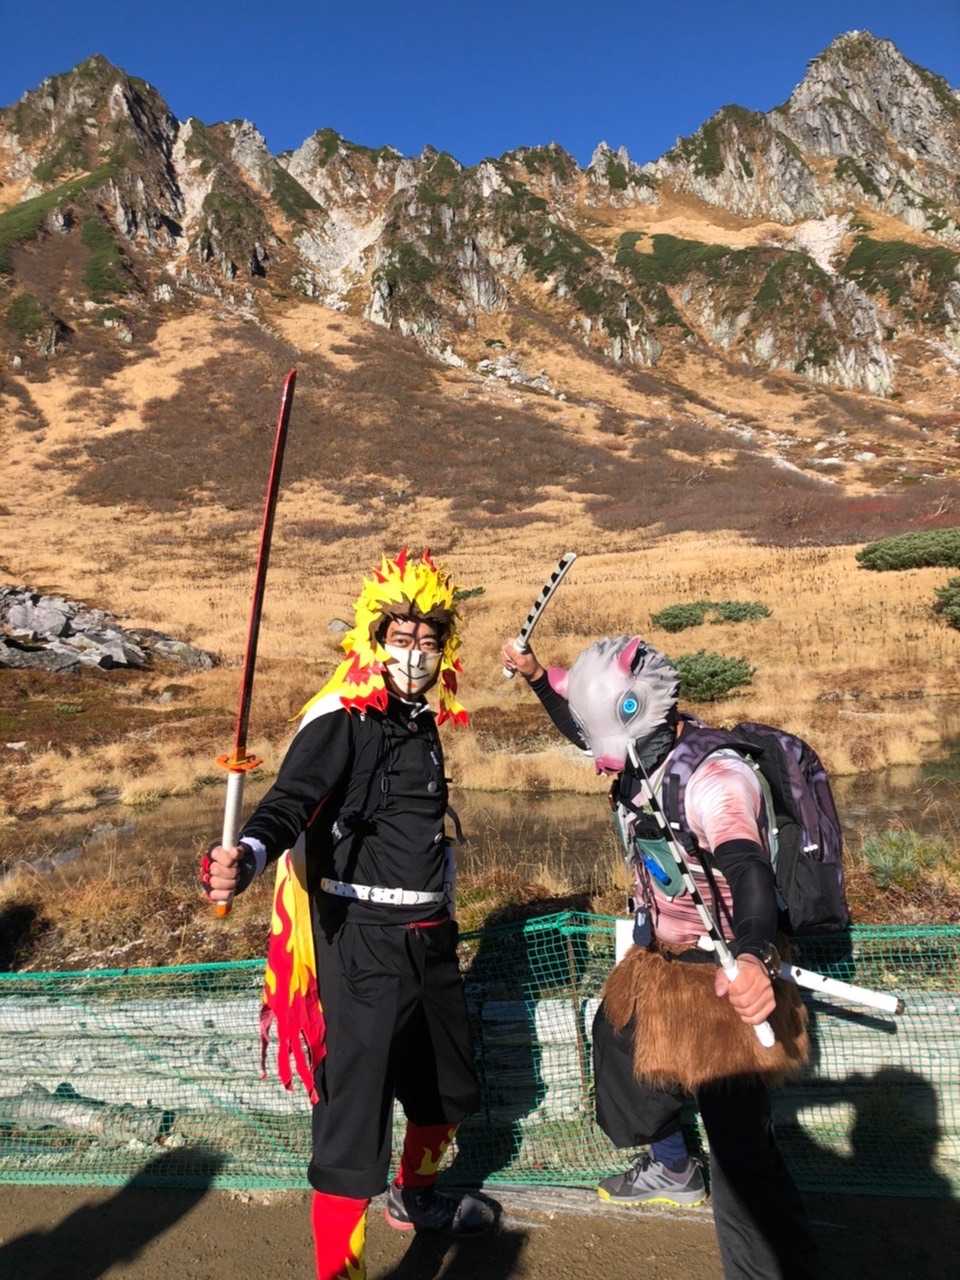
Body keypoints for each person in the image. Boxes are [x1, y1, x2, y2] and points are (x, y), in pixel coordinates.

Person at [202, 549, 494, 1280]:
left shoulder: (420, 719)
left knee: (445, 1092)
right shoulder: (340, 720)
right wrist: (248, 854)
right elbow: (290, 802)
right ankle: (341, 1272)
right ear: (373, 639)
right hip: (361, 946)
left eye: (429, 640)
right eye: (401, 637)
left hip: (430, 936)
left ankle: (414, 1197)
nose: (416, 653)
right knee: (352, 1127)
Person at [502, 632, 816, 1280]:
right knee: (615, 1037)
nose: (600, 761)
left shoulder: (715, 782)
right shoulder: (638, 748)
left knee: (739, 1153)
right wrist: (536, 677)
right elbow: (582, 723)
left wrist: (754, 959)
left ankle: (770, 1266)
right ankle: (672, 1165)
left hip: (724, 972)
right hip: (661, 956)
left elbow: (750, 872)